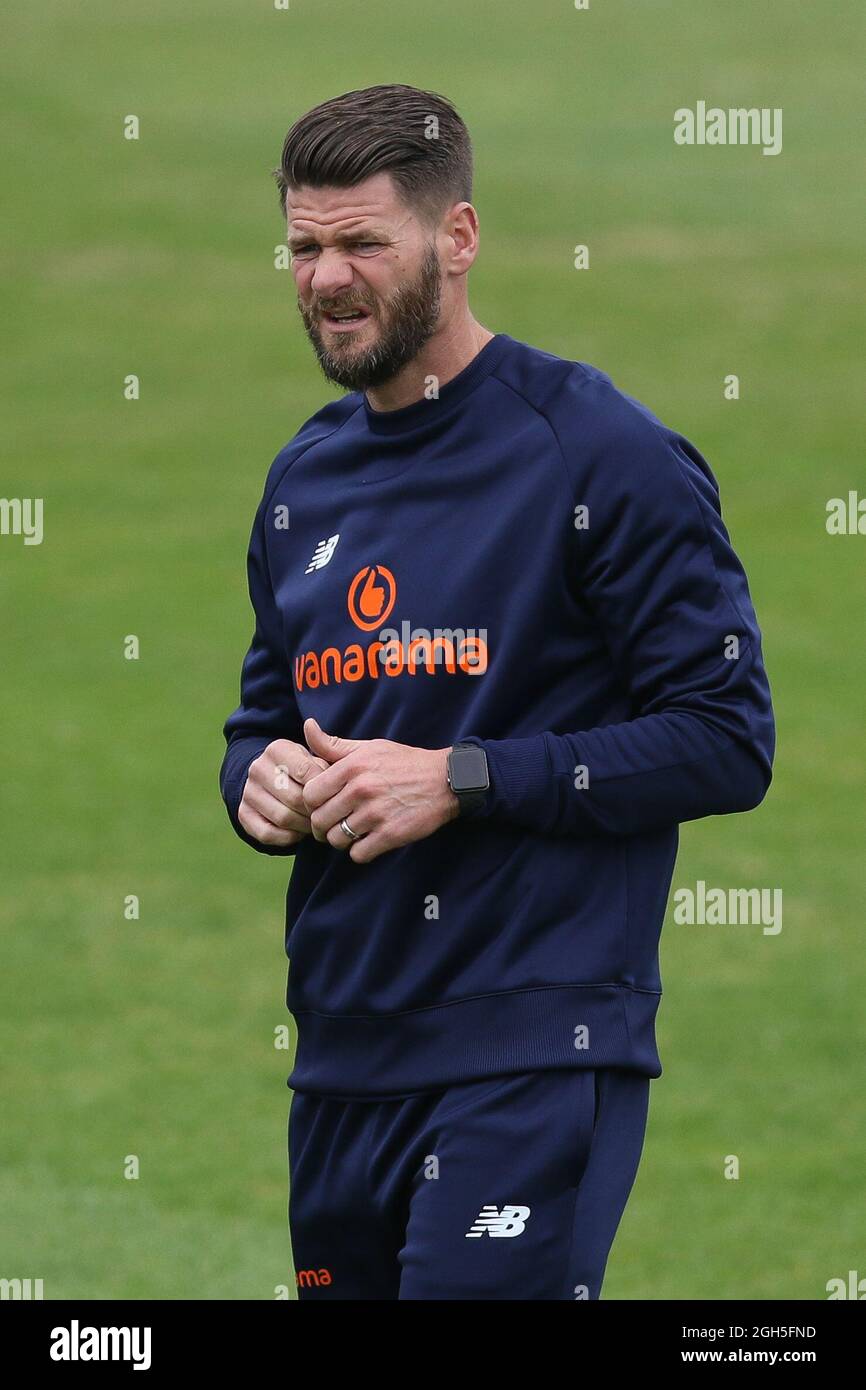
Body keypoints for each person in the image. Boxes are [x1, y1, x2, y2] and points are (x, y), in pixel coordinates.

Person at [219, 83, 775, 1300]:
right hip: (344, 1060)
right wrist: (255, 780)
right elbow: (265, 717)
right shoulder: (302, 480)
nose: (325, 277)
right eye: (305, 246)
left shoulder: (597, 452)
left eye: (364, 241)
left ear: (456, 239)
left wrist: (464, 779)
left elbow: (726, 737)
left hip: (533, 1051)